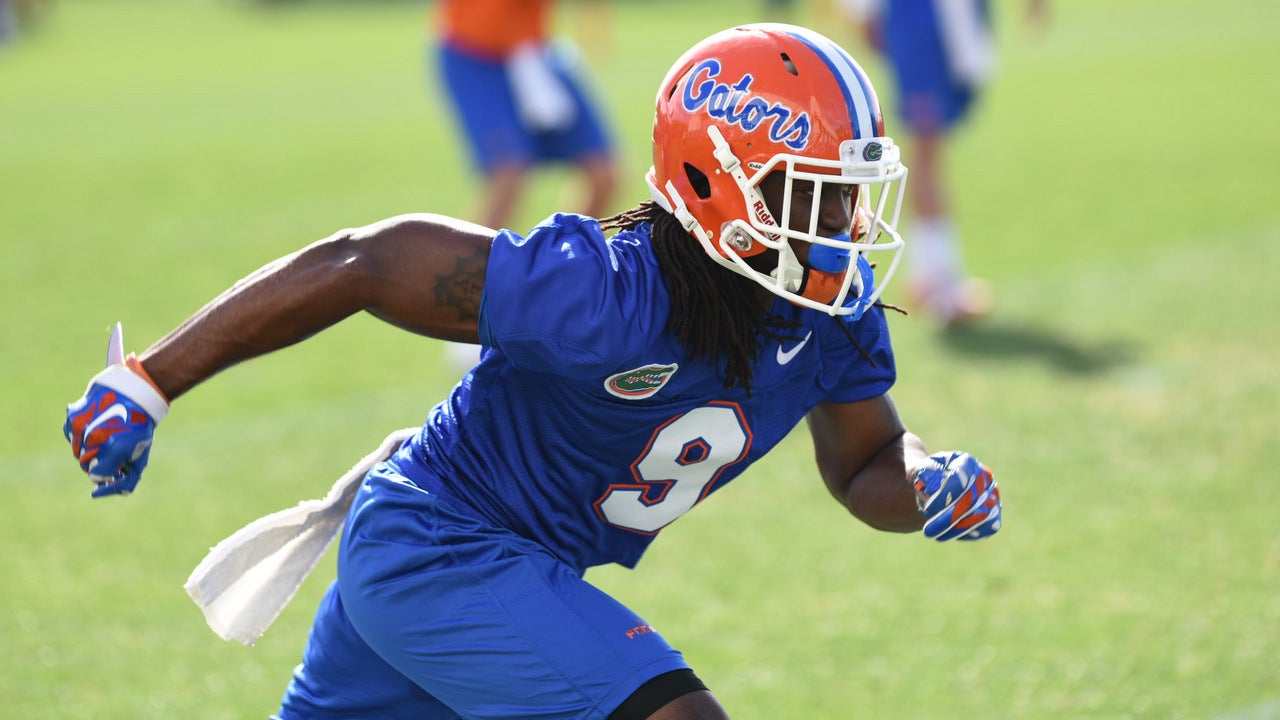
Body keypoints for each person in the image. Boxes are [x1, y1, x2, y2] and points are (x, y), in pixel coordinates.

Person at [63, 23, 1002, 720]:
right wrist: (150, 380)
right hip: (439, 544)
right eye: (815, 192)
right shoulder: (605, 290)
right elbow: (367, 262)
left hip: (485, 565)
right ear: (721, 184)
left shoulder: (823, 313)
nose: (843, 220)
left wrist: (927, 484)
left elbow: (864, 463)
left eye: (849, 190)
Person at [844, 0, 1048, 325]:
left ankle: (927, 276)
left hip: (941, 22)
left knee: (927, 150)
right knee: (925, 151)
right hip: (921, 19)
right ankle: (942, 287)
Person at [431, 0, 618, 232]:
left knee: (604, 173)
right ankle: (464, 267)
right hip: (474, 51)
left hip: (533, 52)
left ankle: (564, 260)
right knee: (509, 174)